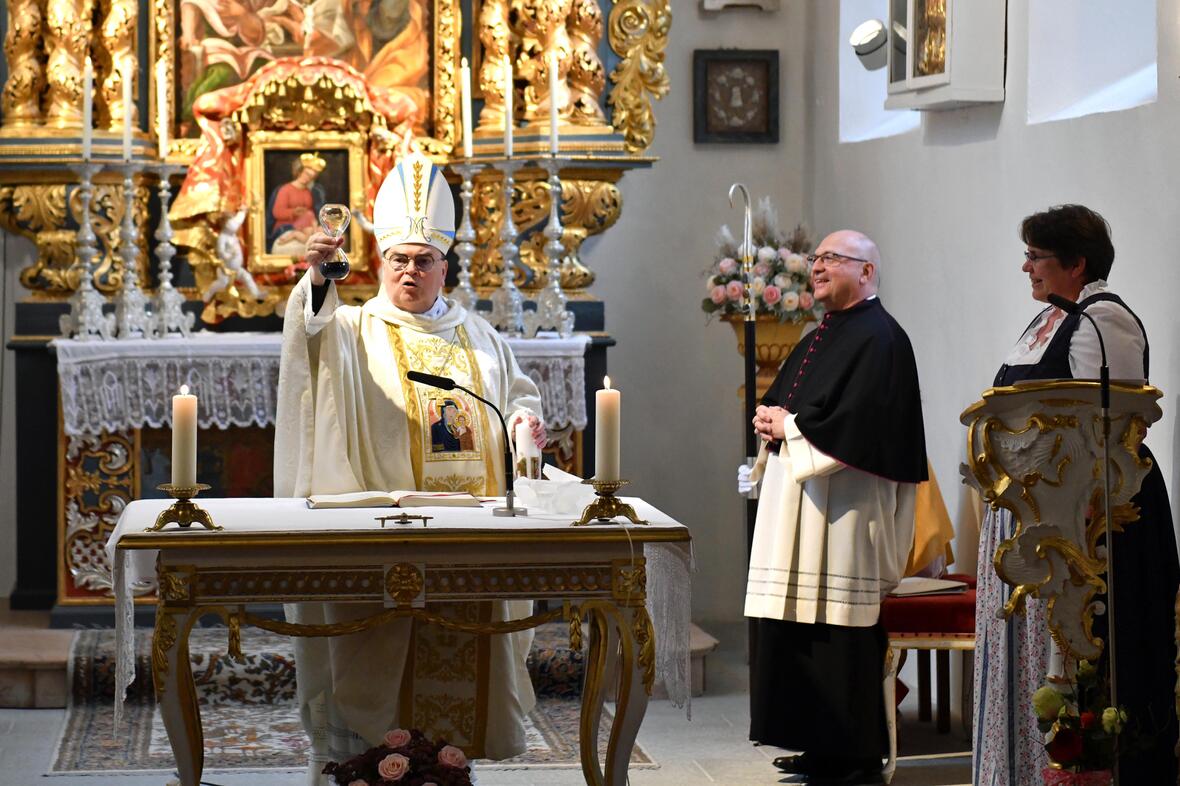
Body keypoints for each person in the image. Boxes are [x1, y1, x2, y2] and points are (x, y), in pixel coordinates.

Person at [275, 149, 547, 784]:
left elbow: (518, 401)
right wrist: (317, 277)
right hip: (384, 541)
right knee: (374, 664)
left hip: (470, 547)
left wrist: (524, 430)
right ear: (380, 262)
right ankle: (363, 770)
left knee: (462, 667)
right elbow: (308, 337)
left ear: (444, 267)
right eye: (399, 258)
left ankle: (445, 773)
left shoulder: (481, 337)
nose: (411, 270)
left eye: (424, 260)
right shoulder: (353, 329)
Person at [973, 204, 1179, 786]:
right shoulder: (1050, 319)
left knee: (1088, 656)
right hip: (1038, 511)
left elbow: (1107, 428)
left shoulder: (1103, 320)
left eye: (1035, 256)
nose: (1026, 267)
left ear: (1077, 263)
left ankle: (1090, 769)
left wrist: (1077, 502)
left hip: (1094, 516)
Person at [743, 230, 928, 785]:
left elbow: (862, 424)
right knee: (798, 625)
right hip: (802, 503)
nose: (817, 267)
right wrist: (769, 419)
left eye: (832, 259)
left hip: (844, 509)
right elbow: (793, 403)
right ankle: (819, 745)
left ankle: (853, 755)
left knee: (836, 628)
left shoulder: (882, 338)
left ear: (866, 271)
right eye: (816, 258)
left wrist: (790, 426)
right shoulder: (821, 334)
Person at [268, 153, 326, 255]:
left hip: (304, 223)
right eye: (306, 174)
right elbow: (277, 212)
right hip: (287, 225)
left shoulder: (307, 192)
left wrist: (314, 223)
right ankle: (294, 234)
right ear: (299, 172)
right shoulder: (285, 189)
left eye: (311, 177)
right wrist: (293, 212)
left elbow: (310, 211)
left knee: (318, 231)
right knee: (310, 233)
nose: (308, 178)